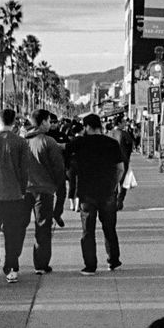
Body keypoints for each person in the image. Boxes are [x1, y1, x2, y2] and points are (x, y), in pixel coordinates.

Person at [67, 113, 125, 274]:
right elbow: (120, 168)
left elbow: (64, 155)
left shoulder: (79, 143)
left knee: (88, 230)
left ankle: (90, 266)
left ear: (86, 127)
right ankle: (113, 260)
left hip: (87, 193)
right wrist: (114, 185)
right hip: (107, 192)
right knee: (109, 228)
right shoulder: (112, 143)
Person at [0, 107, 31, 286]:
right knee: (13, 234)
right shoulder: (21, 143)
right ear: (14, 122)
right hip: (14, 195)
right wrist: (22, 191)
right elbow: (25, 171)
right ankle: (12, 269)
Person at [24, 109, 66, 275]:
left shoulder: (22, 141)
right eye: (49, 121)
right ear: (42, 123)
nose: (50, 124)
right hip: (44, 190)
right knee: (42, 227)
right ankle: (41, 264)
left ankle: (12, 264)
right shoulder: (49, 142)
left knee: (18, 226)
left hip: (25, 189)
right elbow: (58, 167)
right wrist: (59, 186)